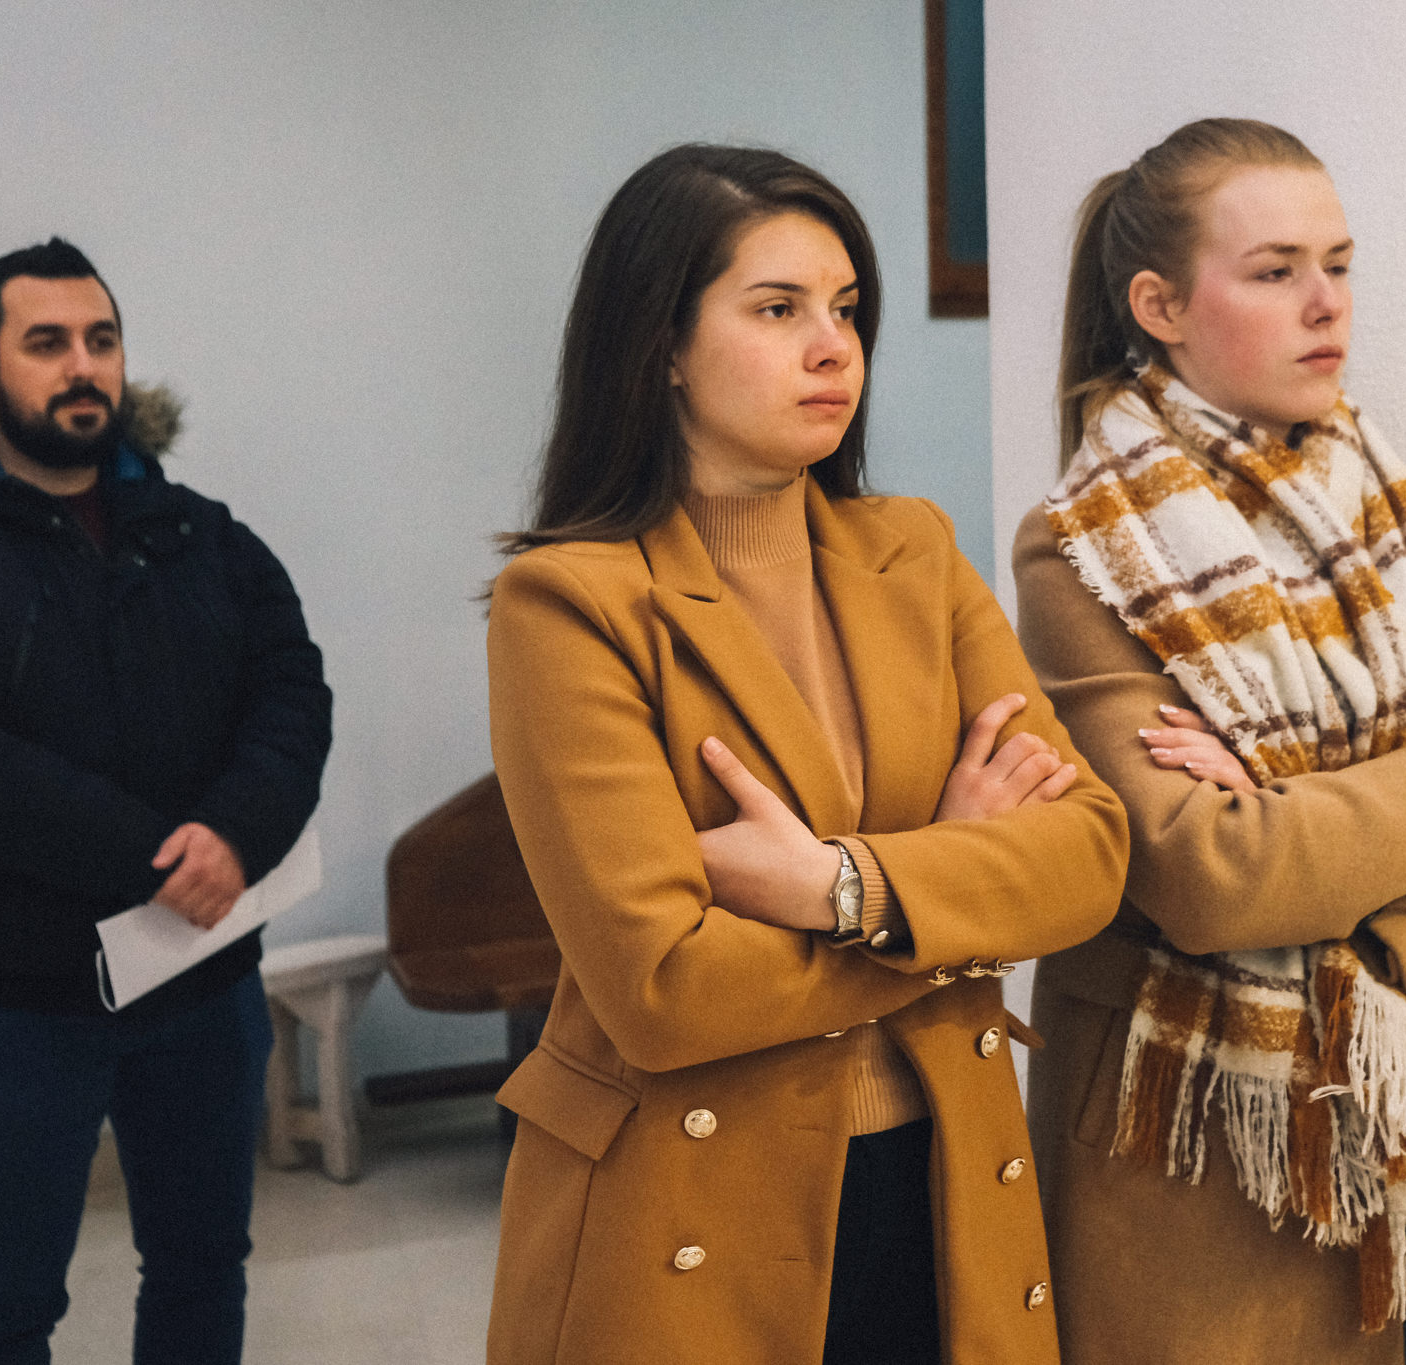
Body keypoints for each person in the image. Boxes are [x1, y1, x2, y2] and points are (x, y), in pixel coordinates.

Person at [484, 144, 1130, 1365]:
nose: (834, 347)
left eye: (845, 308)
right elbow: (663, 991)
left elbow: (1088, 858)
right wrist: (948, 898)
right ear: (661, 345)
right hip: (692, 1202)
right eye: (777, 310)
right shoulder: (568, 603)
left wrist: (842, 887)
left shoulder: (912, 549)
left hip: (946, 1176)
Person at [1011, 119, 1406, 1365]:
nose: (1325, 303)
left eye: (1336, 265)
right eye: (1274, 271)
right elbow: (1208, 877)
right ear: (1159, 306)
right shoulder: (1085, 549)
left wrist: (1299, 832)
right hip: (1213, 1179)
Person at [0, 237, 332, 1365]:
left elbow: (291, 693)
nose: (82, 366)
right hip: (20, 1007)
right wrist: (156, 854)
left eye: (101, 340)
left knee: (202, 1270)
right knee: (7, 1306)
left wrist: (236, 833)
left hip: (203, 980)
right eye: (47, 343)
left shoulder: (204, 535)